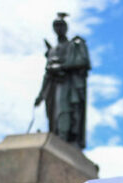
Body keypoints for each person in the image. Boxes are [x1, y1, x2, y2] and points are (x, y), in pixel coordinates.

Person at [34, 12, 91, 149]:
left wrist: (61, 66)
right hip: (52, 87)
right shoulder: (52, 50)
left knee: (64, 112)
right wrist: (41, 95)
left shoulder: (74, 45)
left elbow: (83, 62)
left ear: (66, 27)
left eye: (61, 25)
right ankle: (57, 140)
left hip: (67, 85)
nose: (58, 28)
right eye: (56, 25)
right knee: (53, 117)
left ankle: (64, 141)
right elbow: (47, 74)